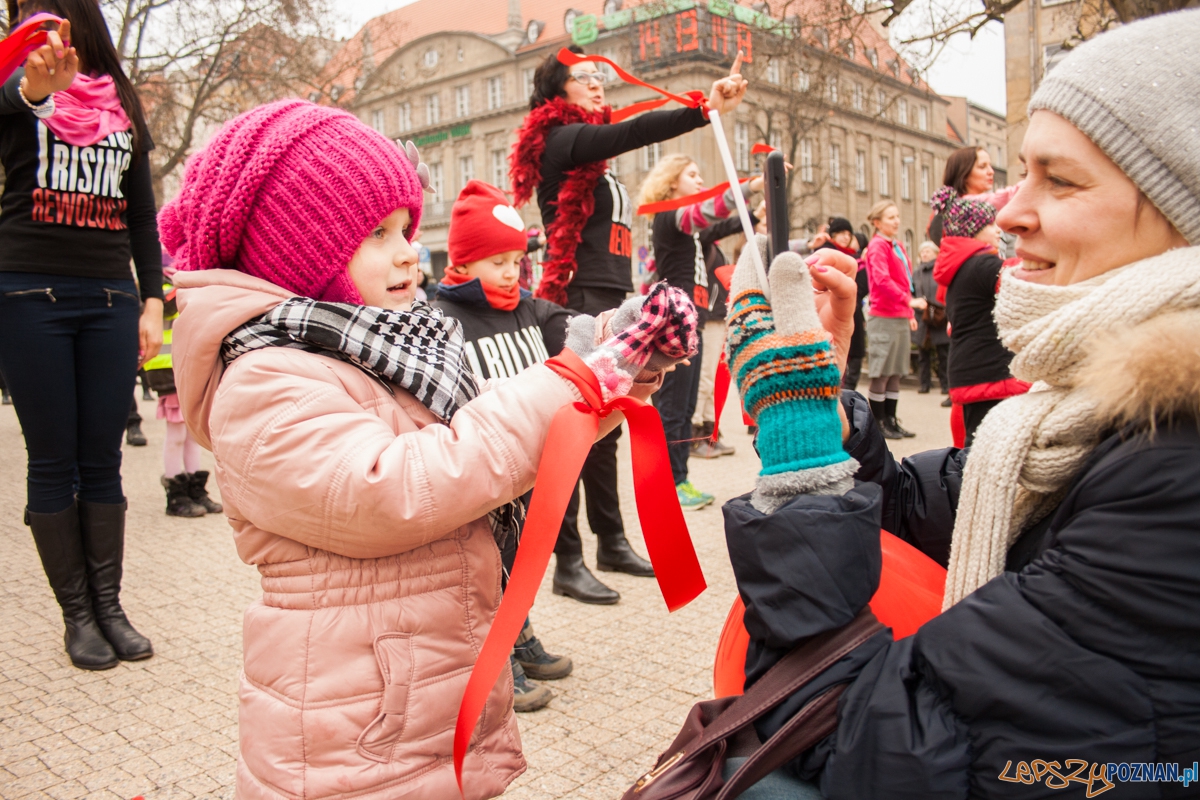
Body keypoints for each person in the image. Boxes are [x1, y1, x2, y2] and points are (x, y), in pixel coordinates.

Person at [715, 11, 1200, 797]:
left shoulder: (1173, 471)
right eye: (1019, 172)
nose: (1007, 210)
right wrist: (833, 409)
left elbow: (843, 741)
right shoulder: (1074, 416)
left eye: (1061, 178)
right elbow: (919, 504)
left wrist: (798, 439)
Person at [163, 100, 693, 800]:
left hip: (421, 701)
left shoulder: (387, 347)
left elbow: (489, 433)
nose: (409, 250)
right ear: (298, 250)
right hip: (351, 736)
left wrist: (614, 361)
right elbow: (401, 489)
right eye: (376, 233)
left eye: (406, 228)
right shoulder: (265, 379)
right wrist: (576, 377)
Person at [509, 44, 747, 603]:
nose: (598, 84)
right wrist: (701, 109)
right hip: (573, 297)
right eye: (585, 77)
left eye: (600, 77)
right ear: (556, 91)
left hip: (609, 296)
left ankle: (610, 540)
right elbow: (629, 131)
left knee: (607, 429)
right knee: (570, 431)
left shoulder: (590, 156)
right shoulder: (560, 142)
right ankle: (568, 561)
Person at [0, 1, 161, 671]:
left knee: (104, 458)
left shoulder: (121, 100)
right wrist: (36, 86)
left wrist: (152, 301)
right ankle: (77, 616)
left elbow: (142, 216)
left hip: (109, 297)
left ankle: (110, 605)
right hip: (28, 293)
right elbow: (15, 98)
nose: (34, 27)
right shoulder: (16, 85)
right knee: (52, 460)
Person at [432, 179, 575, 713]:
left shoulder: (531, 311)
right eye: (498, 262)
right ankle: (492, 658)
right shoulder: (445, 317)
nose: (512, 272)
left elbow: (568, 330)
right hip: (485, 467)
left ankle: (519, 630)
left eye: (517, 260)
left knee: (525, 560)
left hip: (537, 465)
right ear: (464, 263)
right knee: (489, 564)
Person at [637, 155, 759, 507]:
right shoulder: (672, 215)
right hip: (674, 325)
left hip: (693, 325)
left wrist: (754, 213)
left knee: (686, 406)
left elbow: (718, 228)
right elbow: (704, 215)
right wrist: (747, 189)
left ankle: (680, 479)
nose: (700, 180)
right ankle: (669, 483)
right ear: (673, 182)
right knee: (674, 407)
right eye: (693, 174)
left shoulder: (691, 231)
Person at [931, 188, 1032, 447]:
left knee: (975, 443)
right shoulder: (981, 265)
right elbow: (1025, 281)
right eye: (991, 225)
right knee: (992, 447)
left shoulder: (961, 267)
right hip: (989, 371)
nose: (999, 231)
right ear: (971, 230)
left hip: (971, 368)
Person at [142, 269, 223, 517]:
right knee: (176, 436)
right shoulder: (159, 284)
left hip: (190, 369)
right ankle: (175, 492)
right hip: (168, 371)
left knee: (192, 437)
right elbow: (167, 305)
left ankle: (195, 488)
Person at [861, 202, 921, 439]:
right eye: (890, 217)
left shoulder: (896, 245)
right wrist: (908, 301)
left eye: (897, 216)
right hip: (883, 315)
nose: (896, 221)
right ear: (876, 222)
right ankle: (878, 423)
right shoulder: (877, 246)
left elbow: (905, 280)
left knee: (895, 372)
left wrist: (909, 313)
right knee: (881, 372)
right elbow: (882, 280)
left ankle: (891, 420)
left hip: (898, 314)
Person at [690, 220, 742, 460]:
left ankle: (710, 431)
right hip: (709, 316)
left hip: (719, 316)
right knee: (705, 376)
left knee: (713, 376)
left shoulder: (715, 247)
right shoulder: (700, 241)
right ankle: (695, 432)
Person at [928, 145, 1019, 246]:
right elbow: (1010, 195)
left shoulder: (952, 206)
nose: (991, 172)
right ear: (964, 173)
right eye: (982, 167)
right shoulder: (963, 208)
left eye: (990, 166)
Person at [912, 240, 949, 400]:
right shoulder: (917, 272)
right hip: (922, 316)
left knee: (943, 353)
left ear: (935, 253)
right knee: (923, 353)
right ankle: (924, 383)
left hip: (940, 315)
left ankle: (946, 385)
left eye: (928, 251)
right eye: (922, 252)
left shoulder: (940, 269)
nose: (925, 254)